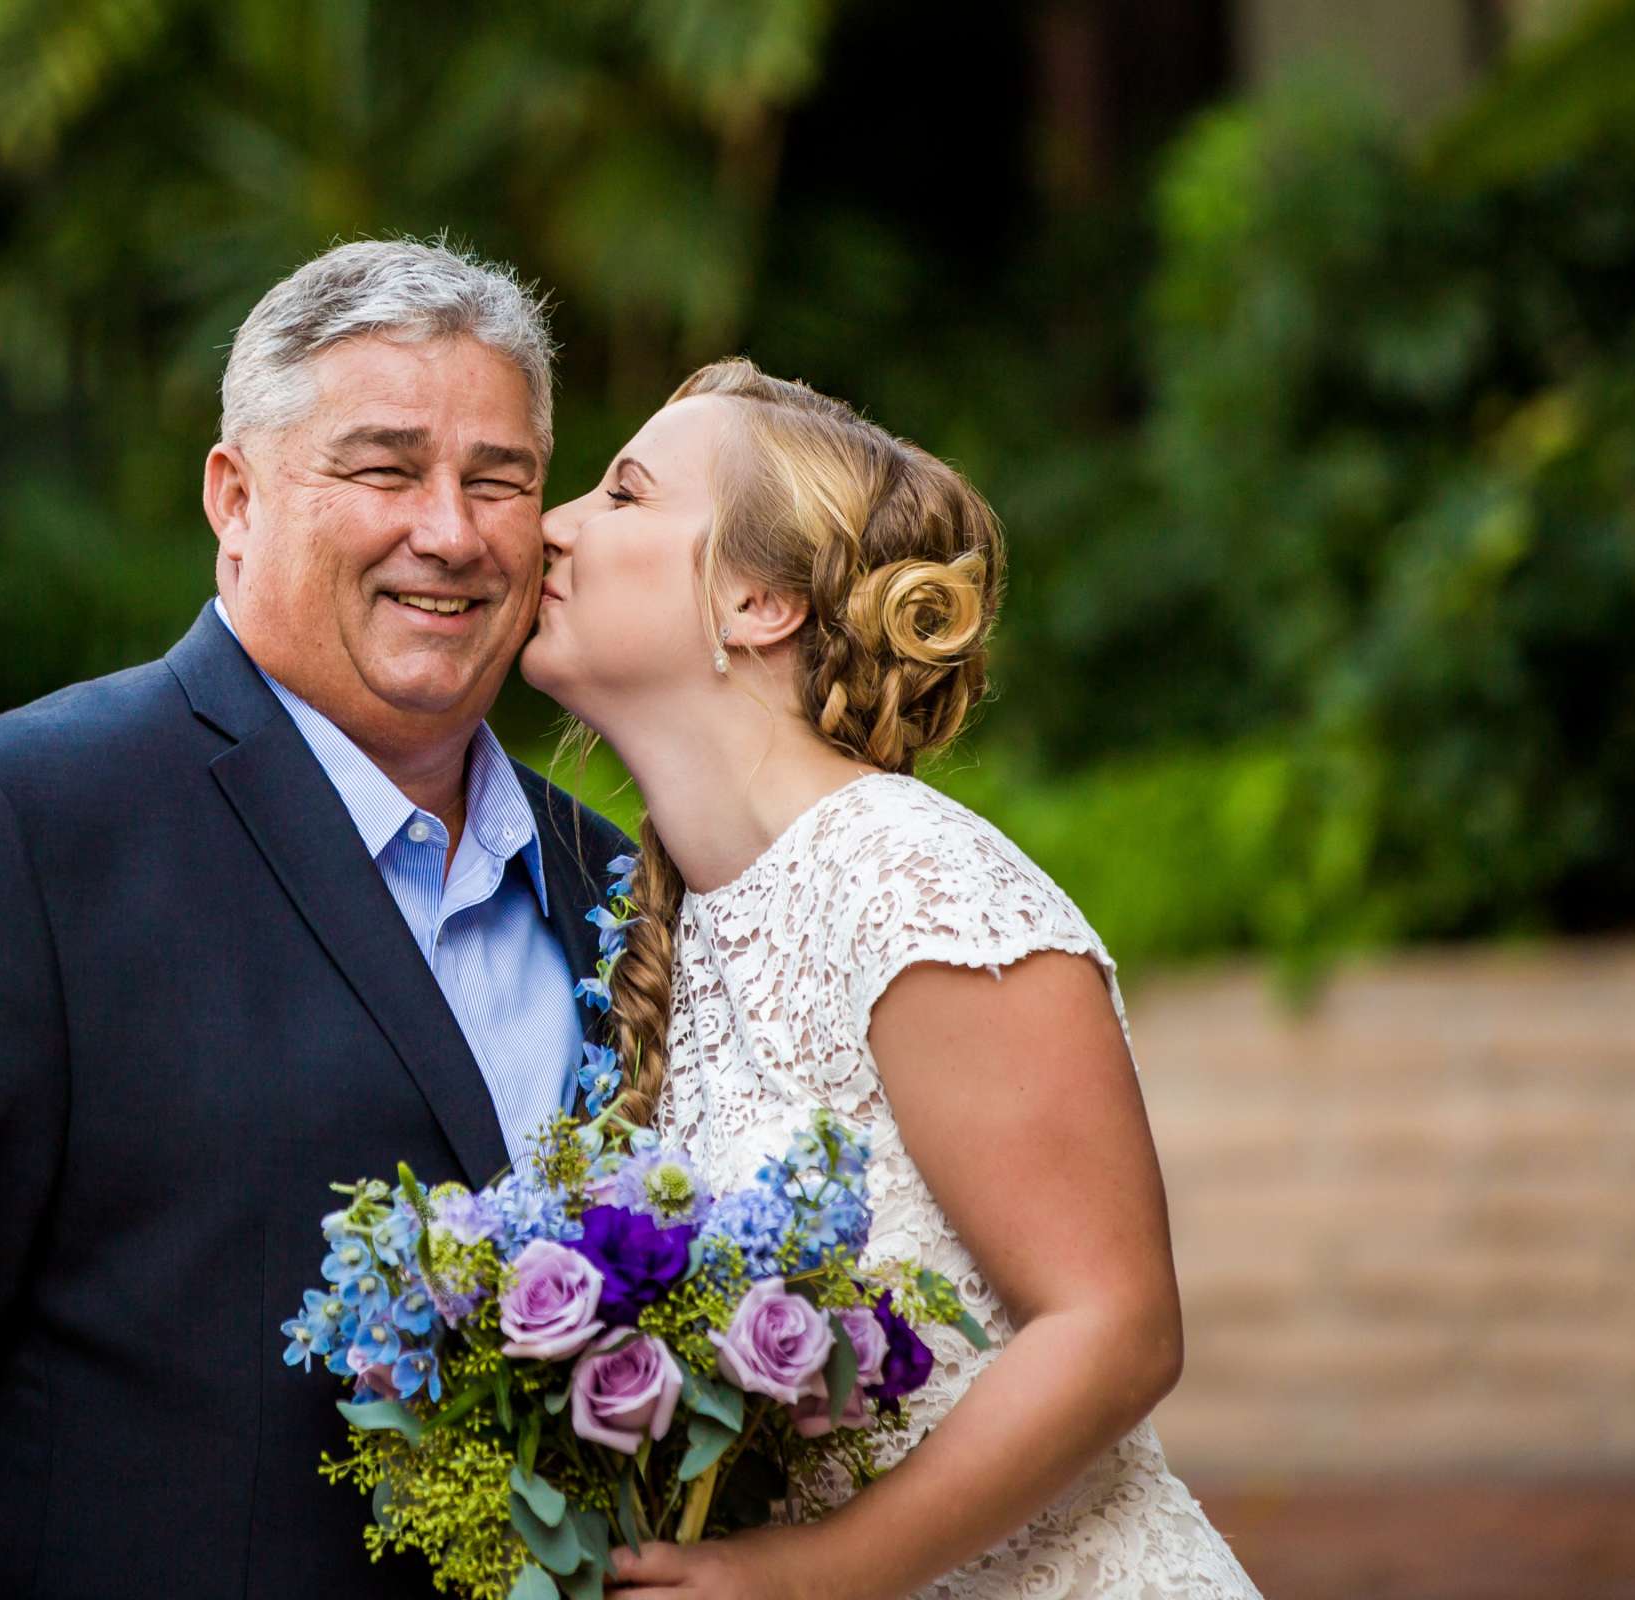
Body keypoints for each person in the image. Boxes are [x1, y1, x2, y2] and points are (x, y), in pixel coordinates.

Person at [0, 239, 630, 1599]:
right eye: (383, 469)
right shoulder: (6, 827)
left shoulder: (612, 890)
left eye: (501, 479)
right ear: (234, 498)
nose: (454, 531)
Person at [520, 359, 1262, 1599]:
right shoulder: (677, 924)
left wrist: (813, 1573)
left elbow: (1115, 1325)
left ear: (757, 599)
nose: (555, 522)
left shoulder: (911, 881)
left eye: (623, 494)